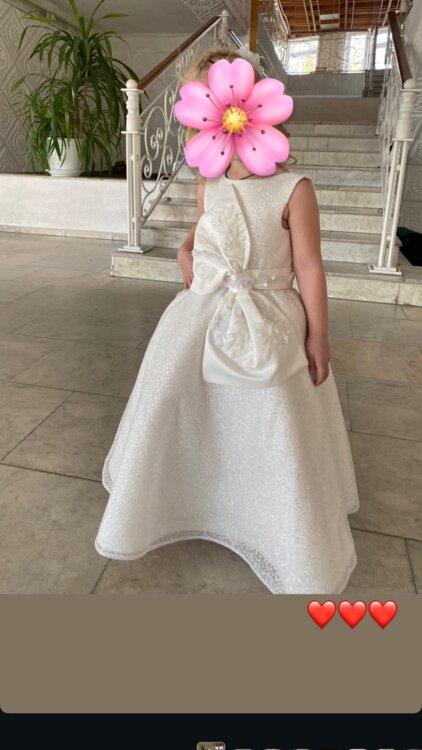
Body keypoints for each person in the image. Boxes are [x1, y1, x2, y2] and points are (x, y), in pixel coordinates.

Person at [94, 46, 360, 594]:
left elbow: (309, 266)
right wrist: (185, 250)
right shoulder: (208, 183)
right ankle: (196, 494)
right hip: (202, 313)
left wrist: (319, 333)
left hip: (269, 317)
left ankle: (271, 512)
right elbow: (207, 229)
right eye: (199, 113)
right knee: (184, 403)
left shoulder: (293, 189)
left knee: (269, 418)